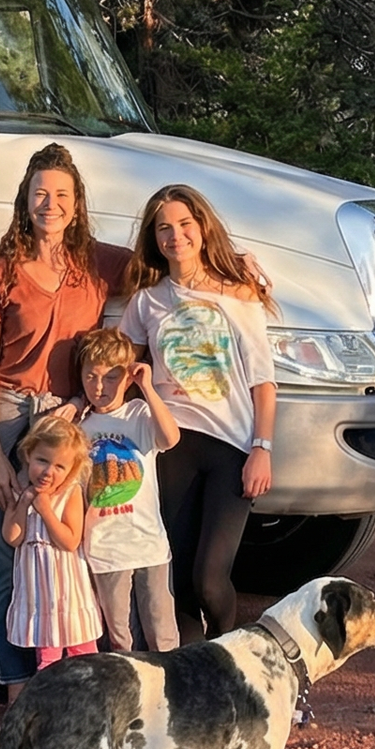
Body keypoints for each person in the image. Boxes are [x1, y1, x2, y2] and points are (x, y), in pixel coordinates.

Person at [0, 145, 131, 698]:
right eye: (40, 194)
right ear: (25, 202)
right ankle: (17, 690)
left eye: (61, 195)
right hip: (10, 414)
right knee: (4, 551)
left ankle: (76, 686)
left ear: (77, 205)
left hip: (66, 417)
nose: (50, 204)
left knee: (75, 550)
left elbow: (171, 262)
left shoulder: (97, 264)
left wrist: (239, 270)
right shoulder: (0, 272)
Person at [120, 185, 277, 643]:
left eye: (185, 224)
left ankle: (229, 644)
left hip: (231, 447)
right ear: (154, 237)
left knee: (210, 578)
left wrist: (261, 449)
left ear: (202, 228)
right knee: (180, 579)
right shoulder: (147, 302)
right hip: (172, 445)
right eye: (164, 228)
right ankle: (190, 678)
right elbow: (121, 365)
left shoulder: (239, 294)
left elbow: (263, 383)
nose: (176, 236)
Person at [74, 325, 181, 654]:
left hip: (149, 545)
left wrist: (146, 386)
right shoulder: (80, 427)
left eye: (110, 377)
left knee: (162, 634)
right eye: (91, 376)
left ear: (126, 378)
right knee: (121, 638)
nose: (99, 387)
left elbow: (170, 438)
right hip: (105, 550)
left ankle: (173, 698)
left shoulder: (138, 414)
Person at [1, 417, 101, 673]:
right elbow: (12, 537)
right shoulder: (22, 493)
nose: (48, 472)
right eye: (42, 461)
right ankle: (51, 704)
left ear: (71, 470)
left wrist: (45, 511)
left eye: (59, 466)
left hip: (68, 592)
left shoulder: (70, 494)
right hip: (40, 596)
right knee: (47, 660)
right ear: (28, 455)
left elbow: (69, 541)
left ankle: (86, 703)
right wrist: (23, 504)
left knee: (83, 655)